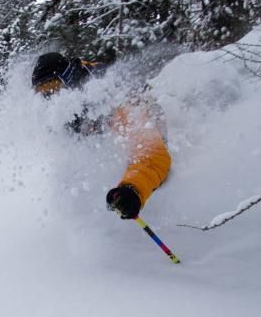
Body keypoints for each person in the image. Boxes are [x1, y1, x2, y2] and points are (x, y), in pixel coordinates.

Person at [30, 52, 171, 220]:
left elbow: (152, 155)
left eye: (53, 86)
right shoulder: (62, 110)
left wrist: (133, 190)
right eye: (42, 91)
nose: (49, 95)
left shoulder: (109, 95)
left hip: (150, 139)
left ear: (68, 79)